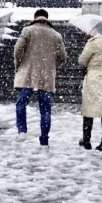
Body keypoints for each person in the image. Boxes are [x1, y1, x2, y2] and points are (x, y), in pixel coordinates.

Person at [13, 9, 67, 147]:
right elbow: (63, 57)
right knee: (46, 110)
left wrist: (19, 64)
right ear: (47, 19)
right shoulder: (56, 35)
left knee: (21, 103)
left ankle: (22, 130)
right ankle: (44, 139)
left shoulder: (27, 31)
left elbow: (18, 50)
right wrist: (51, 65)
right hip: (46, 77)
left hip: (28, 74)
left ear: (35, 18)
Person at [77, 22, 102, 153]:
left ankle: (87, 141)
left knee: (89, 108)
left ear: (95, 30)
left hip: (93, 76)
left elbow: (82, 61)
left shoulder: (92, 43)